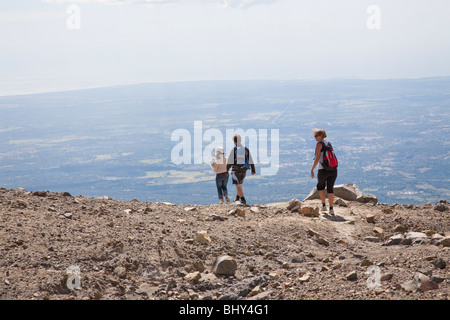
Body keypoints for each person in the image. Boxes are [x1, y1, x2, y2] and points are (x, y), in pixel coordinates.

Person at [310, 129, 338, 215]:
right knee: (330, 188)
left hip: (323, 170)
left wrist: (312, 169)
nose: (315, 138)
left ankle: (323, 205)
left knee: (321, 187)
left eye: (316, 136)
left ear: (321, 135)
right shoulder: (328, 143)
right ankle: (331, 208)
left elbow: (317, 157)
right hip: (333, 169)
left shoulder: (319, 144)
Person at [226, 134, 256, 206]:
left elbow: (230, 161)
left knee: (238, 186)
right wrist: (253, 170)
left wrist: (226, 169)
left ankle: (243, 199)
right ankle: (237, 198)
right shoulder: (246, 149)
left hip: (235, 171)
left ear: (234, 141)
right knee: (240, 185)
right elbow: (251, 160)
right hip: (244, 170)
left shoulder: (234, 150)